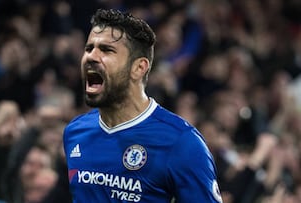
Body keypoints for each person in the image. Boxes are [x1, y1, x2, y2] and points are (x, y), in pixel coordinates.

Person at [63, 9, 223, 203]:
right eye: (89, 48)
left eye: (106, 50)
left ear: (139, 68)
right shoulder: (75, 132)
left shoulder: (181, 142)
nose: (91, 57)